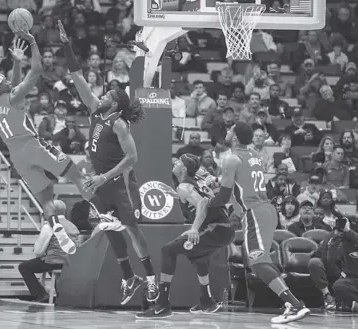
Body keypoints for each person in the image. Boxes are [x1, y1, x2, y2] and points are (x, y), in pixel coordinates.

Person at [58, 21, 158, 305]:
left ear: (114, 104)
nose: (101, 95)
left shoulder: (119, 123)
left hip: (118, 182)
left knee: (131, 229)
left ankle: (150, 279)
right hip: (100, 181)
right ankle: (129, 277)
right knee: (107, 226)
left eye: (107, 95)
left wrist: (104, 177)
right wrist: (67, 46)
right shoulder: (94, 112)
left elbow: (133, 158)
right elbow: (77, 76)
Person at [205, 121, 310, 324]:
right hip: (265, 210)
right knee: (262, 262)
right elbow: (239, 183)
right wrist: (216, 182)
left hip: (254, 213)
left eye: (230, 130)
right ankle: (293, 304)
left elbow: (225, 195)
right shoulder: (254, 155)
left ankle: (295, 304)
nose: (227, 132)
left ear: (234, 137)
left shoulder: (231, 159)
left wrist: (206, 202)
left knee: (257, 263)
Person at [0, 30, 94, 213]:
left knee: (46, 198)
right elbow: (36, 71)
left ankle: (58, 232)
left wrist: (18, 62)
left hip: (16, 156)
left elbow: (13, 89)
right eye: (4, 81)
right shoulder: (13, 97)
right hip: (32, 145)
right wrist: (33, 42)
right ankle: (105, 214)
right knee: (76, 176)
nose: (9, 81)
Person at [135, 154, 235, 318]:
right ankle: (207, 301)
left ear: (184, 168)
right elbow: (202, 198)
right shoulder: (194, 182)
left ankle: (162, 305)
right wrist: (177, 196)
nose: (174, 163)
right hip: (224, 229)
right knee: (198, 256)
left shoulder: (184, 186)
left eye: (178, 162)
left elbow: (202, 204)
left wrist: (194, 228)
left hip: (216, 228)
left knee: (168, 250)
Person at [18, 200, 79, 303]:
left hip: (54, 261)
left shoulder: (49, 226)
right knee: (51, 263)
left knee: (24, 267)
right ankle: (61, 293)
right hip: (69, 262)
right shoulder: (73, 226)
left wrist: (42, 252)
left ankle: (41, 295)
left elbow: (38, 251)